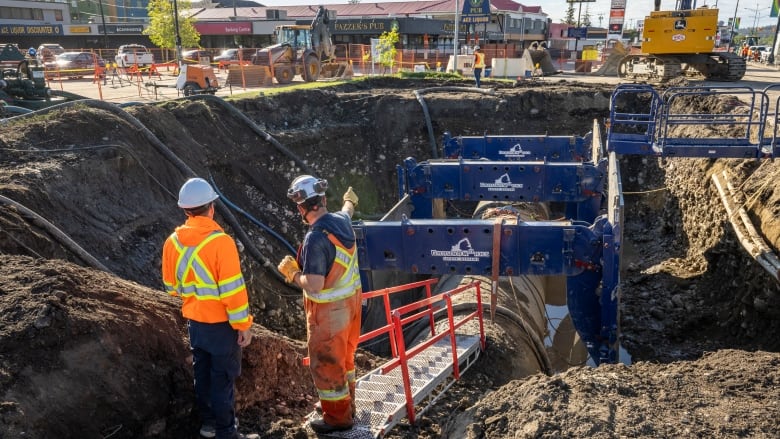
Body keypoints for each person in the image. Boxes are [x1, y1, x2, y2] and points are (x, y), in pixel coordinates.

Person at [162, 177, 253, 439]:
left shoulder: (172, 242)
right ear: (211, 207)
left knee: (202, 377)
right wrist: (243, 326)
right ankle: (226, 432)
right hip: (221, 326)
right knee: (222, 379)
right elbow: (233, 292)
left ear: (185, 210)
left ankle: (209, 426)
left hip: (195, 323)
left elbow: (171, 286)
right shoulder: (221, 242)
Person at [277, 176, 362, 435]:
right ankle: (347, 404)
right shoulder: (341, 221)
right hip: (352, 305)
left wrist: (291, 272)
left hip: (329, 314)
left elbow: (314, 284)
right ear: (324, 200)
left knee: (326, 363)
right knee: (345, 360)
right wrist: (349, 200)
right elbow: (347, 210)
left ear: (301, 208)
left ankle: (337, 418)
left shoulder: (316, 239)